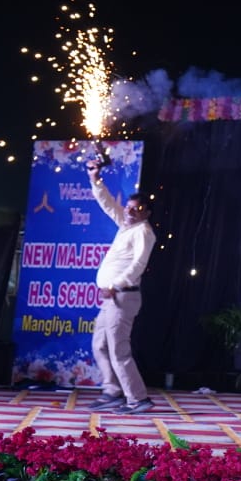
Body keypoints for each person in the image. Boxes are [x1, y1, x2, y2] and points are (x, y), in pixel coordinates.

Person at [84, 157, 157, 415]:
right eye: (129, 207)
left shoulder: (144, 232)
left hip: (123, 296)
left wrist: (115, 285)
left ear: (146, 213)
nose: (130, 211)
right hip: (111, 298)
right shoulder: (126, 226)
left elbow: (139, 264)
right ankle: (112, 390)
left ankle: (137, 398)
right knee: (100, 345)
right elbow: (107, 203)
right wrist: (95, 179)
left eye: (137, 209)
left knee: (119, 349)